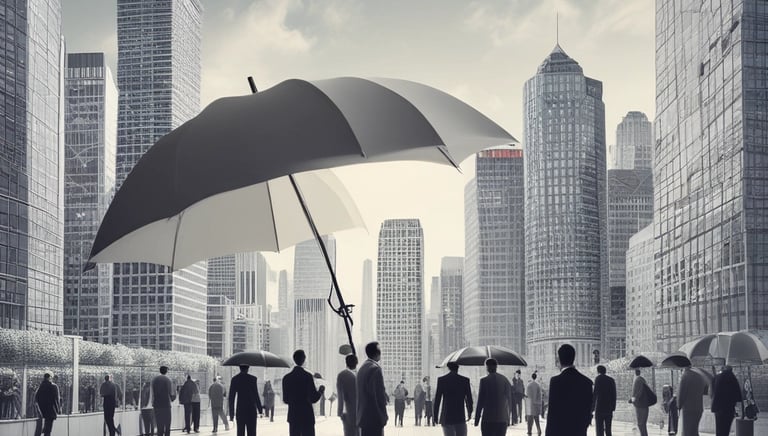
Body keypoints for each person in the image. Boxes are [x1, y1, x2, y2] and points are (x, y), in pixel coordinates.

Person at [545, 344, 593, 436]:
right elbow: (588, 412)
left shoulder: (555, 381)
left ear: (559, 359)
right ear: (573, 358)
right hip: (579, 432)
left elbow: (552, 414)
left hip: (559, 432)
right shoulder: (587, 382)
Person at [282, 350, 323, 436]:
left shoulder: (286, 378)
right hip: (307, 416)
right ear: (304, 359)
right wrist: (320, 391)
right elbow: (313, 398)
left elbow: (285, 400)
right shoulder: (307, 377)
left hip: (293, 416)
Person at [357, 341, 389, 436]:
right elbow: (378, 396)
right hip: (374, 418)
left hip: (364, 418)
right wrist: (383, 417)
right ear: (377, 353)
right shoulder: (375, 369)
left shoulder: (362, 368)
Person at [474, 358, 512, 436]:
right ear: (496, 366)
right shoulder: (505, 380)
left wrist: (477, 419)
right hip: (502, 419)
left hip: (488, 418)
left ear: (487, 367)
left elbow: (480, 401)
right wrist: (508, 418)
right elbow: (509, 400)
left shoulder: (484, 381)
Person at [434, 361, 473, 436]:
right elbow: (469, 399)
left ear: (448, 368)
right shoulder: (465, 380)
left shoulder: (442, 380)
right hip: (460, 416)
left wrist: (435, 415)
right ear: (458, 368)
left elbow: (437, 400)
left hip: (446, 416)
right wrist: (469, 412)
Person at [229, 365, 264, 436]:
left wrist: (231, 414)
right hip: (251, 410)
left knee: (240, 432)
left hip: (240, 410)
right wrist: (260, 410)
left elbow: (231, 398)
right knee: (252, 433)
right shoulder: (253, 379)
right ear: (248, 368)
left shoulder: (235, 379)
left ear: (239, 368)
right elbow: (256, 395)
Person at [711, 365, 742, 436]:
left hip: (718, 408)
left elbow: (712, 393)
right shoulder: (733, 378)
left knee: (719, 429)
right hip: (729, 409)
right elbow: (738, 396)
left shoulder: (717, 377)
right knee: (726, 430)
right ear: (731, 370)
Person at [677, 366, 707, 436]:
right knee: (694, 431)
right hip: (699, 408)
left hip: (688, 409)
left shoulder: (685, 376)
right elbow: (705, 390)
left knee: (687, 432)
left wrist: (678, 406)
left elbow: (682, 393)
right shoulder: (700, 376)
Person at [337, 354, 358, 436]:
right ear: (356, 363)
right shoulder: (359, 374)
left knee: (349, 433)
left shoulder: (342, 375)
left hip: (348, 413)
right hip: (360, 412)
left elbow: (340, 395)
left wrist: (340, 411)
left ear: (346, 363)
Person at [151, 366, 176, 436]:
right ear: (166, 371)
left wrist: (153, 402)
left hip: (157, 405)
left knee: (159, 424)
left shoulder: (154, 380)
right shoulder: (168, 380)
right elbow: (172, 394)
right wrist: (173, 398)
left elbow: (152, 393)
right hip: (166, 405)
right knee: (167, 424)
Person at [592, 365, 617, 436]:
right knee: (608, 428)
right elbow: (614, 394)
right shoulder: (611, 380)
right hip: (608, 407)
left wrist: (592, 407)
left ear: (598, 371)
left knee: (599, 429)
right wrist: (613, 407)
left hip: (599, 407)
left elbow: (595, 394)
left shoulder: (598, 379)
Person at [630, 369, 651, 436]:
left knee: (641, 424)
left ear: (635, 372)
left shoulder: (637, 380)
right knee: (642, 424)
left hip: (640, 406)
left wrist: (632, 400)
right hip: (644, 405)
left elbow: (638, 393)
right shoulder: (642, 379)